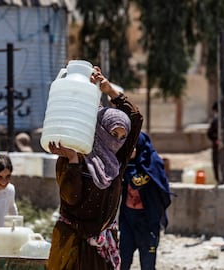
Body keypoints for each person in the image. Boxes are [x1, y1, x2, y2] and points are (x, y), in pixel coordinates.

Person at [45, 66, 143, 270]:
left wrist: (109, 90)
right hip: (72, 244)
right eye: (111, 133)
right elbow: (71, 198)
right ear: (99, 129)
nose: (116, 141)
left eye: (120, 137)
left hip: (102, 246)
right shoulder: (75, 151)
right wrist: (72, 159)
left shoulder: (117, 161)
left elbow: (135, 118)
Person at [119, 132, 171, 270]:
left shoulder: (152, 163)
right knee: (122, 260)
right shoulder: (125, 163)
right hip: (128, 218)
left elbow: (137, 181)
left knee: (147, 264)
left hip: (147, 221)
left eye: (133, 146)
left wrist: (127, 165)